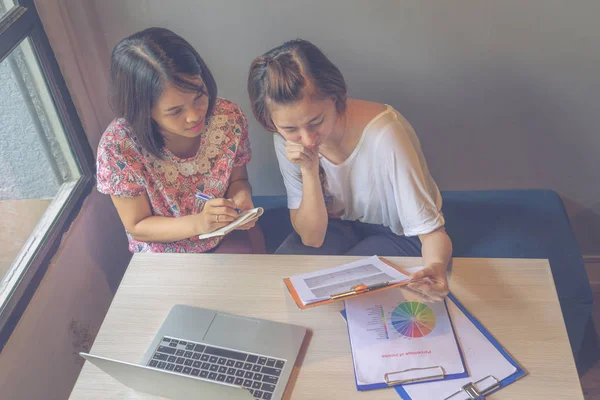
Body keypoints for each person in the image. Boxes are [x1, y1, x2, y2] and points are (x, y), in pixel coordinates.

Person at [247, 39, 451, 300]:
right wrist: (309, 170)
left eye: (316, 121)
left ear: (335, 97)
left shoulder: (385, 135)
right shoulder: (286, 139)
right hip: (336, 227)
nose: (307, 140)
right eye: (290, 129)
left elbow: (431, 232)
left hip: (397, 234)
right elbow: (312, 238)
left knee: (346, 289)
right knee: (284, 278)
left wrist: (435, 267)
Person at [97, 27, 264, 254]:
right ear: (143, 110)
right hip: (163, 256)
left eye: (199, 97)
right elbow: (137, 226)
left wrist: (241, 199)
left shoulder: (227, 118)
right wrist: (199, 223)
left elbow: (238, 180)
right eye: (175, 111)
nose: (195, 116)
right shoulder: (118, 147)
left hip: (224, 239)